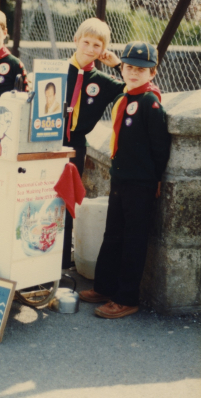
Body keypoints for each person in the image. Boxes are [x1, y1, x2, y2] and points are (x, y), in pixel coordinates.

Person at [79, 41, 171, 319]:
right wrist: (117, 63)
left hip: (139, 184)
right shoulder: (130, 94)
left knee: (133, 240)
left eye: (140, 70)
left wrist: (154, 179)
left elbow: (160, 148)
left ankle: (126, 298)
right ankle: (105, 287)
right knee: (113, 234)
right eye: (129, 67)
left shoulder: (149, 102)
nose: (132, 73)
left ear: (152, 73)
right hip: (120, 178)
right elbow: (127, 73)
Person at [62, 17, 125, 268]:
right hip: (48, 142)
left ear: (103, 50)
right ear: (76, 40)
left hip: (75, 145)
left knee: (67, 199)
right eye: (85, 42)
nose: (90, 49)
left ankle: (64, 258)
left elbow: (136, 91)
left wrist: (119, 64)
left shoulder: (102, 81)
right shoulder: (55, 69)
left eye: (97, 45)